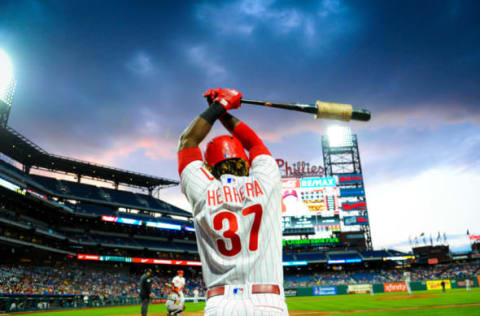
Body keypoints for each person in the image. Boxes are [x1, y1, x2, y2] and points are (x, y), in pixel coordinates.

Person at [178, 88, 288, 315]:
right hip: (268, 302)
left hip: (220, 304)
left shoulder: (203, 190)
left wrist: (218, 106)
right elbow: (254, 144)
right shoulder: (266, 180)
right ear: (247, 163)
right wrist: (223, 112)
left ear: (209, 167)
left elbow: (187, 141)